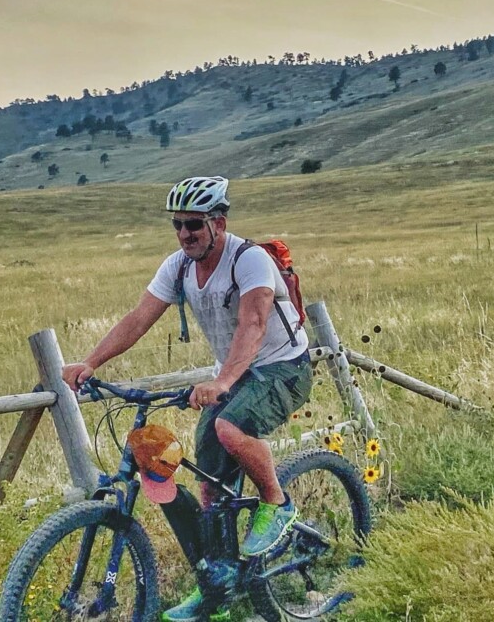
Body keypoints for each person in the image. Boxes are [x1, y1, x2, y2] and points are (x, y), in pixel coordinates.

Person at [62, 175, 312, 622]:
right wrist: (90, 363)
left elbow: (253, 325)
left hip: (282, 367)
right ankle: (216, 583)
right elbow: (139, 317)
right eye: (177, 225)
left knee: (228, 426)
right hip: (235, 372)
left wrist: (223, 381)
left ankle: (277, 502)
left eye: (194, 224)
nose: (184, 234)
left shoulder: (249, 259)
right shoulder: (176, 266)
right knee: (208, 485)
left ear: (219, 221)